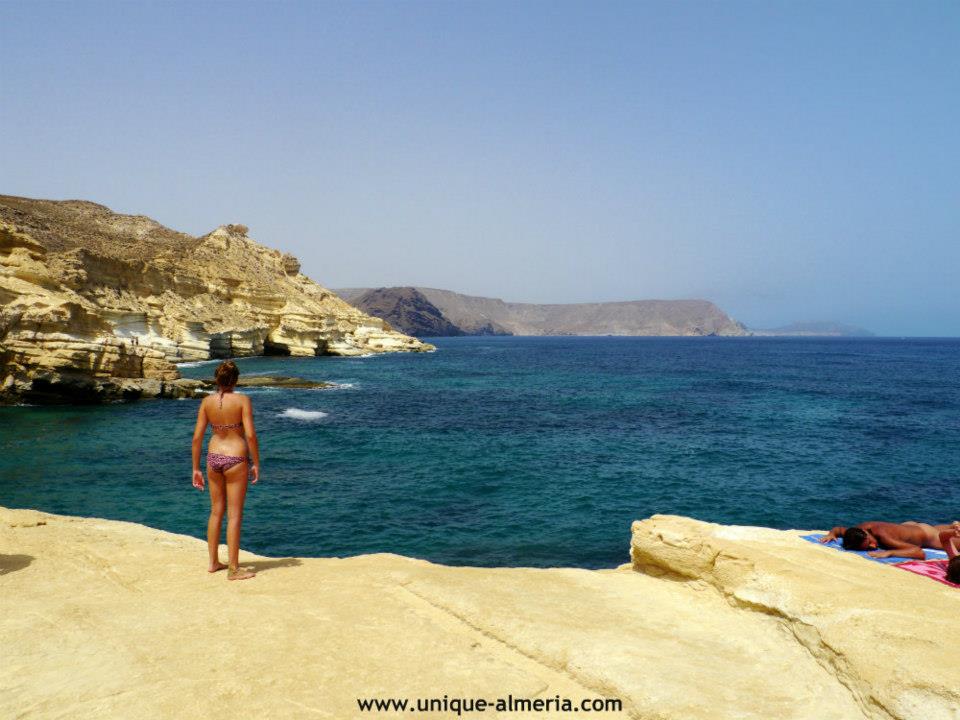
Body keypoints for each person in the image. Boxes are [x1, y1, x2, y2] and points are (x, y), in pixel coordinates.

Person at [191, 360, 260, 580]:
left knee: (215, 511)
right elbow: (249, 435)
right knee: (234, 515)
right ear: (236, 380)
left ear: (216, 379)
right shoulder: (242, 401)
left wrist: (195, 468)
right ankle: (233, 569)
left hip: (213, 458)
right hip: (236, 458)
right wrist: (256, 462)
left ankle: (213, 562)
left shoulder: (206, 402)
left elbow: (197, 438)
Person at [819, 520, 956, 560]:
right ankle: (952, 525)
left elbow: (919, 552)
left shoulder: (883, 536)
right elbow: (839, 529)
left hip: (928, 536)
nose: (873, 546)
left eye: (870, 543)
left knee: (950, 539)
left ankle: (953, 527)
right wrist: (832, 534)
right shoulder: (856, 532)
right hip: (909, 527)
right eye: (868, 548)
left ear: (866, 534)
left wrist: (890, 552)